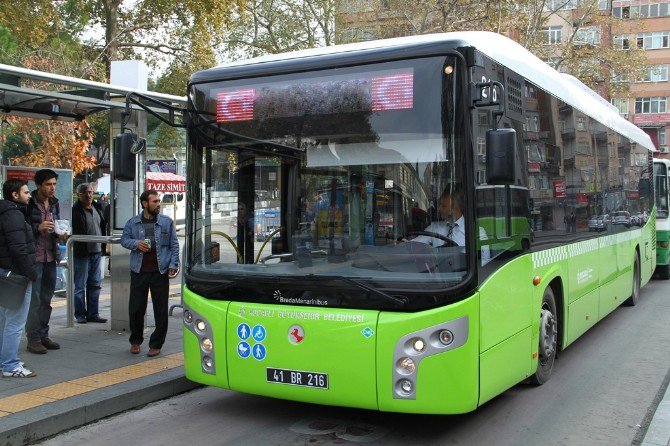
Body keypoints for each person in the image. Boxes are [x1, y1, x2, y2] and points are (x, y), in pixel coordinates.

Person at [121, 189, 179, 357]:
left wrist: (174, 264)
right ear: (145, 203)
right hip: (139, 271)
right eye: (154, 202)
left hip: (160, 271)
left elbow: (174, 245)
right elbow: (124, 240)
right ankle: (136, 340)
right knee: (136, 308)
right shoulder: (133, 223)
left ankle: (156, 343)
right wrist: (136, 243)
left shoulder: (166, 222)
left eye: (159, 201)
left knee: (160, 310)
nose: (158, 204)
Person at [0, 179, 38, 377]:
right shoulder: (14, 215)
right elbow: (18, 248)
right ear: (15, 195)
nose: (29, 195)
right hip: (17, 275)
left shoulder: (5, 212)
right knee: (15, 323)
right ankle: (10, 365)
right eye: (25, 192)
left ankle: (4, 360)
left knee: (4, 321)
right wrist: (30, 273)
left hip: (5, 272)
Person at [25, 169, 63, 354]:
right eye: (48, 184)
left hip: (51, 256)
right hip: (35, 257)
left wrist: (60, 233)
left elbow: (57, 225)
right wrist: (37, 227)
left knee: (47, 299)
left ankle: (43, 334)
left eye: (54, 184)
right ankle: (33, 338)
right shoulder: (29, 203)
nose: (52, 188)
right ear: (39, 185)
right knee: (35, 300)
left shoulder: (55, 204)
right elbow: (20, 229)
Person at [410, 188, 490, 264]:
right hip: (439, 274)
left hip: (465, 276)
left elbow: (484, 263)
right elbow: (415, 243)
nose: (439, 209)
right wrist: (403, 244)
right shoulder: (434, 227)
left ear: (456, 208)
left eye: (443, 206)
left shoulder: (477, 232)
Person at [71, 183, 107, 324]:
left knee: (95, 284)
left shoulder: (97, 208)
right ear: (79, 194)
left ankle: (93, 313)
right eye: (85, 192)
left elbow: (102, 226)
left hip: (96, 251)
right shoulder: (75, 211)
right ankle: (80, 314)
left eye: (91, 192)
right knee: (80, 285)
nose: (89, 195)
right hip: (82, 253)